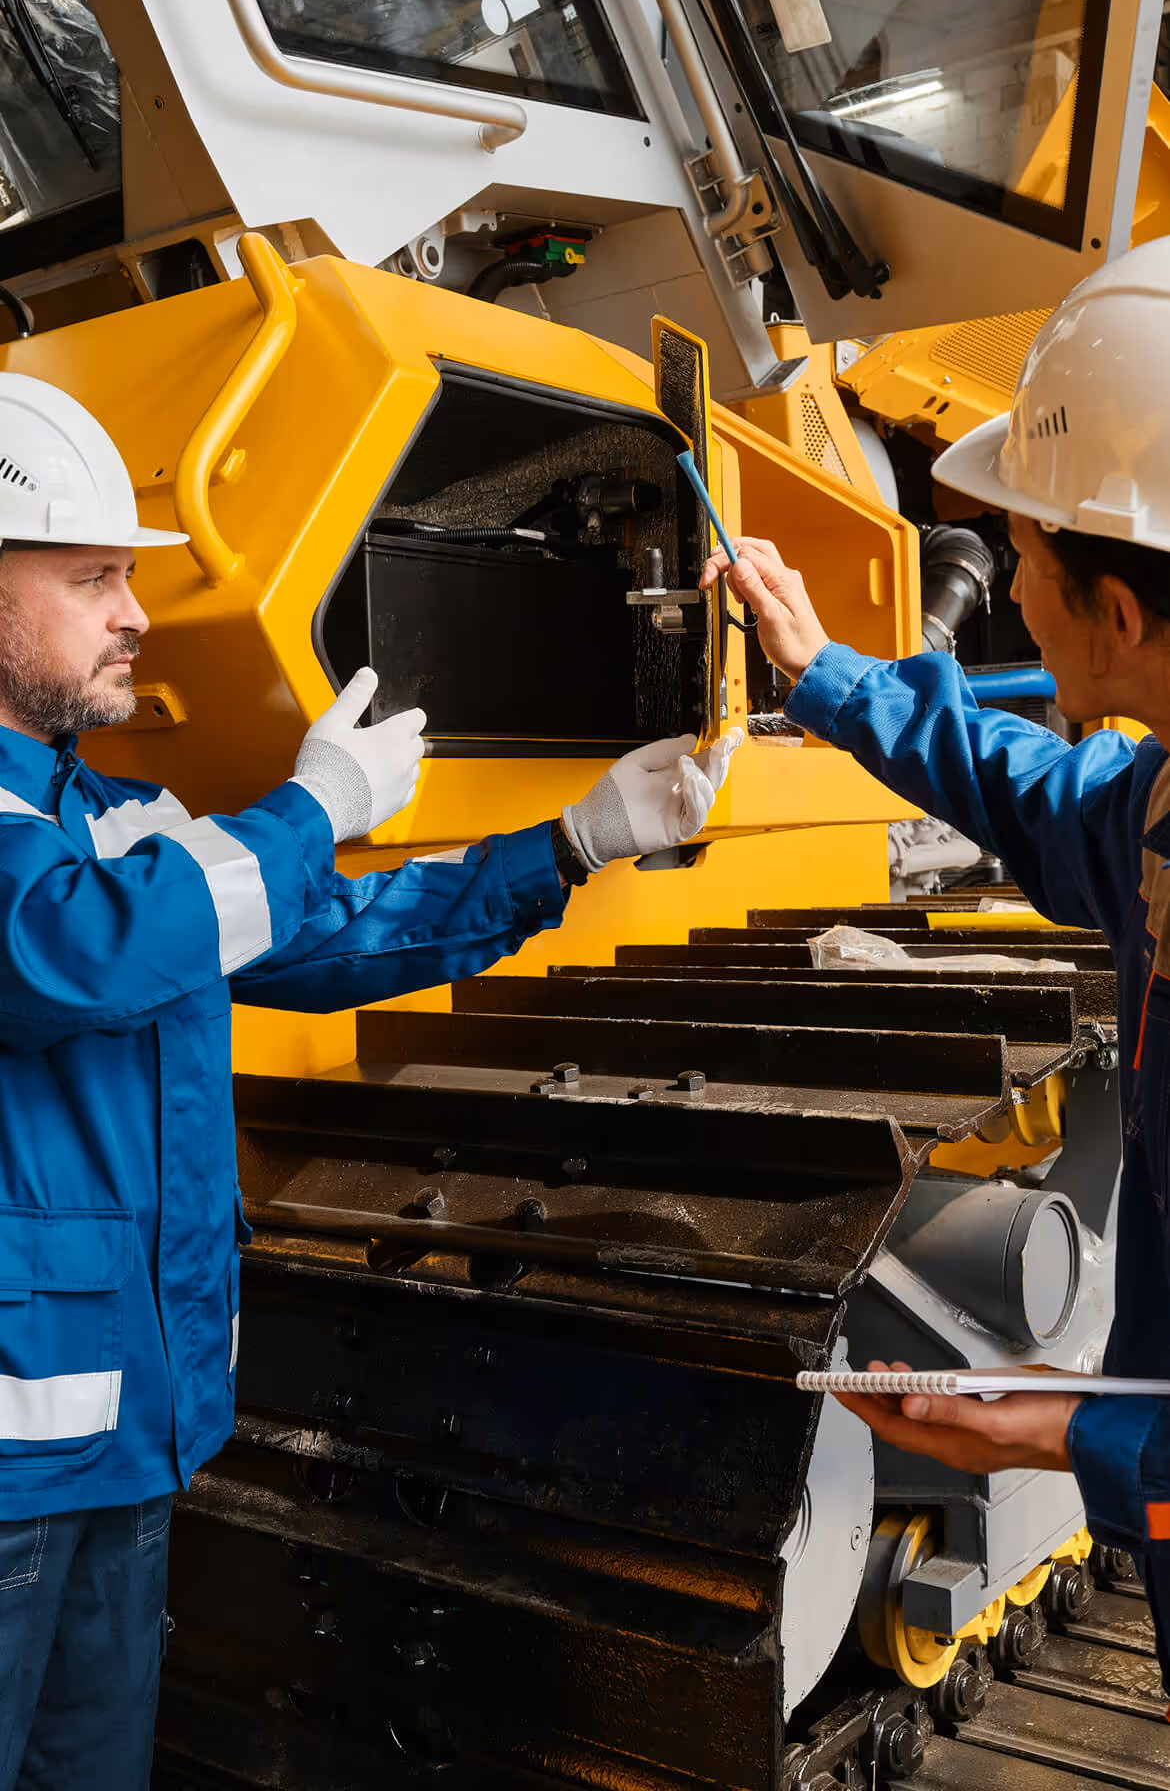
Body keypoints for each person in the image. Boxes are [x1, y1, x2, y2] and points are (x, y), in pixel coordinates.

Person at [0, 371, 741, 1791]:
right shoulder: (63, 862)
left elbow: (315, 932)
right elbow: (73, 958)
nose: (136, 614)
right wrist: (310, 806)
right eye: (92, 578)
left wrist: (571, 844)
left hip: (128, 1436)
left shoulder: (118, 819)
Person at [699, 235, 1170, 1687]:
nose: (1012, 596)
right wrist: (821, 669)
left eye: (1023, 560)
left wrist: (1063, 1429)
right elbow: (1028, 786)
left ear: (1114, 613)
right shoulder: (1154, 808)